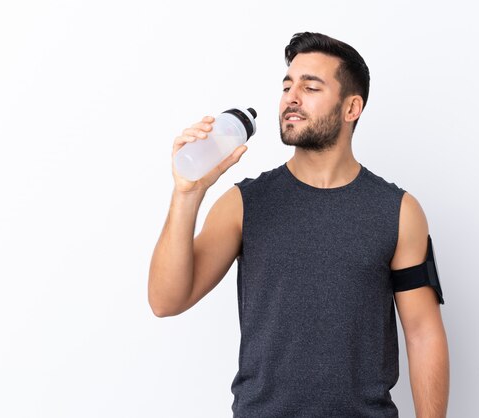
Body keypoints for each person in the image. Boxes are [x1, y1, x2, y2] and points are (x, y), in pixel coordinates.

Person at [148, 32, 449, 418]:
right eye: (287, 85)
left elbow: (423, 334)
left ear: (351, 107)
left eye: (310, 87)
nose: (291, 97)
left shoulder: (398, 211)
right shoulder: (244, 204)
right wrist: (186, 194)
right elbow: (165, 301)